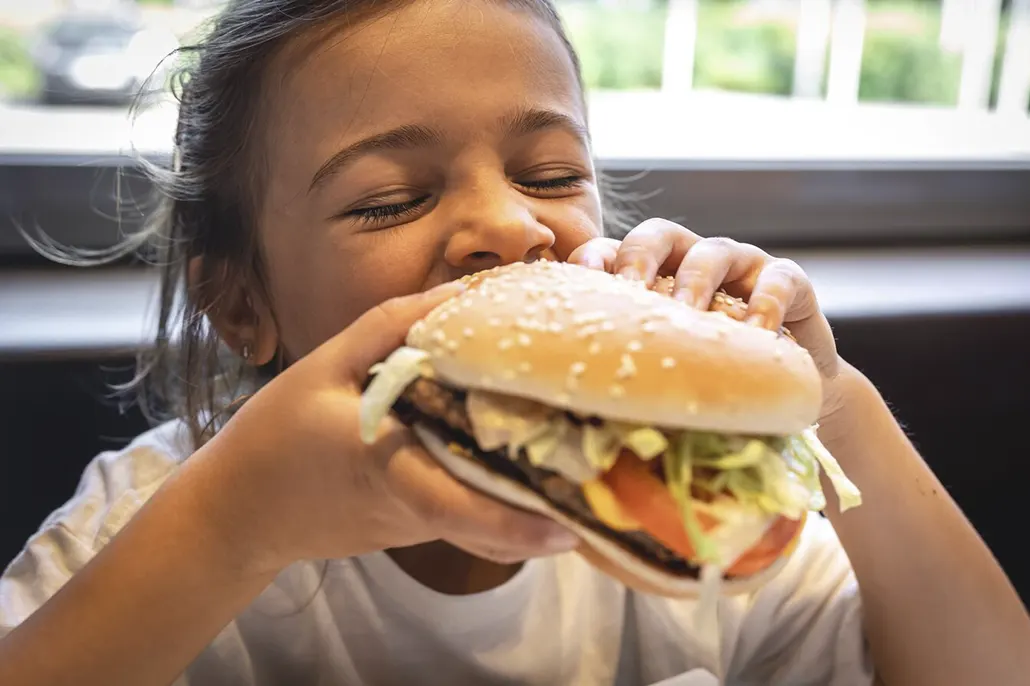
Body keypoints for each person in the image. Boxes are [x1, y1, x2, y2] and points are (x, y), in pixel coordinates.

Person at [1, 1, 1027, 684]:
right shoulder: (157, 513)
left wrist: (828, 398)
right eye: (390, 198)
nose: (511, 224)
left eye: (547, 174)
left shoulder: (686, 497)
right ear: (240, 305)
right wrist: (232, 525)